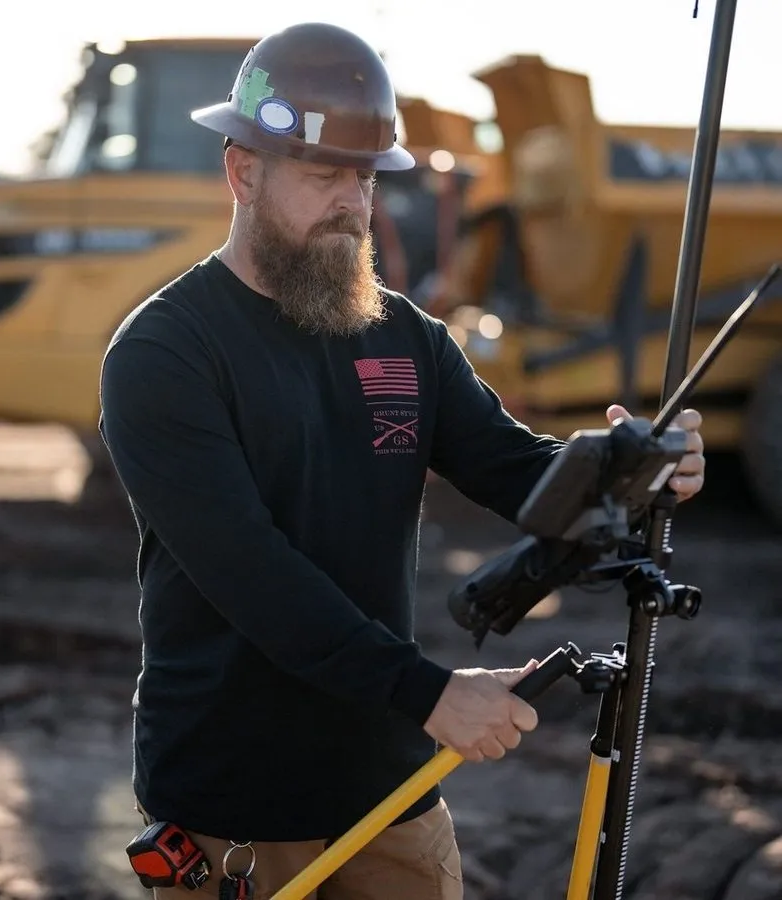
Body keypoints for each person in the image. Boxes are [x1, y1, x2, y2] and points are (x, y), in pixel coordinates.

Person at [98, 22, 706, 900]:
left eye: (363, 176)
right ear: (242, 172)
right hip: (232, 808)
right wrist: (428, 693)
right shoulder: (166, 353)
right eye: (323, 175)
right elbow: (249, 569)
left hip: (389, 795)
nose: (354, 202)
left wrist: (631, 469)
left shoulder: (406, 339)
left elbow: (512, 466)